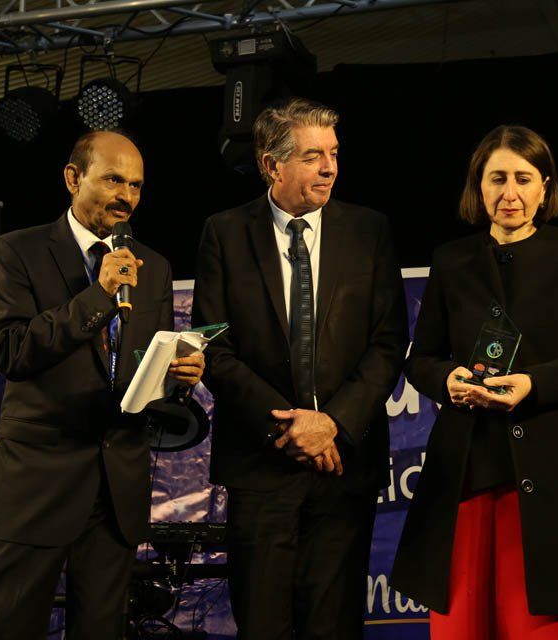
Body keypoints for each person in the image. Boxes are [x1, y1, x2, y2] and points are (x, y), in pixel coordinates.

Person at [391, 125, 558, 640]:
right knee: (460, 626)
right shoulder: (452, 259)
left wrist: (534, 384)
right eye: (497, 178)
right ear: (477, 188)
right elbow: (422, 359)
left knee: (538, 627)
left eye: (523, 179)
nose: (510, 193)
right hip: (464, 468)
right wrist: (447, 379)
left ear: (544, 187)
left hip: (551, 467)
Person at [191, 98, 408, 639]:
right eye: (313, 157)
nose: (330, 167)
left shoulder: (370, 230)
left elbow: (387, 343)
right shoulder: (224, 232)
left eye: (333, 154)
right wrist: (289, 427)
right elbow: (214, 350)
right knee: (263, 625)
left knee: (332, 627)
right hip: (262, 468)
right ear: (271, 165)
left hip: (342, 469)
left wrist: (331, 423)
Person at [0, 130, 205, 639]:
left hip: (116, 487)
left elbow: (141, 370)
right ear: (72, 179)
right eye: (113, 180)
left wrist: (176, 377)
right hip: (39, 485)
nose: (127, 195)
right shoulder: (16, 253)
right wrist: (99, 294)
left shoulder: (155, 265)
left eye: (137, 185)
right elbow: (11, 352)